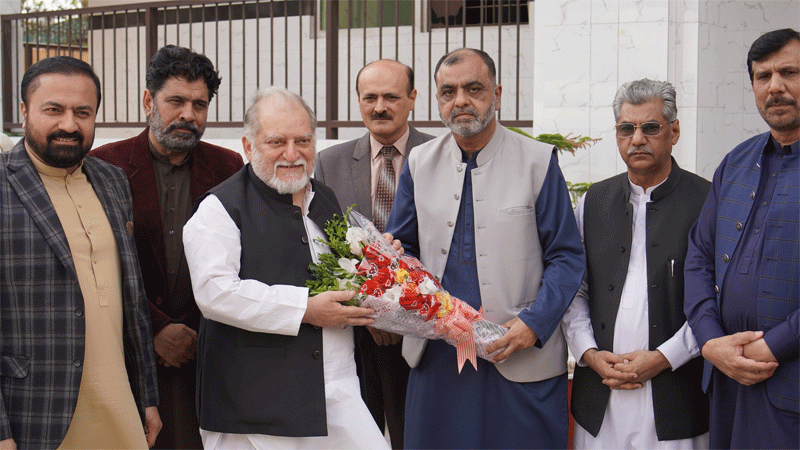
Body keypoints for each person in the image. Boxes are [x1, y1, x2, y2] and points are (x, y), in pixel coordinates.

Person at [385, 48, 585, 449]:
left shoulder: (537, 161)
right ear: (436, 99)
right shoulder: (420, 163)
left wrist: (534, 324)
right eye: (448, 91)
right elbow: (401, 244)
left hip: (518, 355)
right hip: (438, 358)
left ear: (497, 93)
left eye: (473, 89)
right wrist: (389, 256)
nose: (460, 100)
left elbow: (566, 256)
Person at [183, 86, 390, 449]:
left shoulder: (323, 197)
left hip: (336, 390)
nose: (292, 154)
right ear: (248, 147)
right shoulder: (219, 208)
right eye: (276, 142)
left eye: (304, 141)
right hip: (256, 405)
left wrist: (379, 262)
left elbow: (342, 270)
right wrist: (305, 310)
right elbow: (215, 292)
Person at [0, 56, 160, 449]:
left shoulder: (111, 180)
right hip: (35, 416)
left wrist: (148, 397)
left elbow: (132, 298)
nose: (69, 125)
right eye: (53, 110)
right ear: (24, 111)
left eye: (82, 112)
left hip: (120, 410)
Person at [89, 45, 243, 449]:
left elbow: (240, 260)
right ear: (148, 101)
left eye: (199, 104)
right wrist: (156, 329)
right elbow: (95, 262)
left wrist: (192, 332)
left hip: (205, 352)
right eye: (176, 101)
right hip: (128, 352)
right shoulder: (103, 167)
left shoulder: (230, 169)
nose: (188, 115)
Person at [562, 79, 710, 449]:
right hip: (601, 394)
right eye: (626, 128)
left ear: (673, 131)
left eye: (650, 127)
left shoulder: (707, 200)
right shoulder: (594, 201)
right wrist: (589, 353)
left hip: (676, 395)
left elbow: (715, 298)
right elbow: (573, 289)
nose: (637, 138)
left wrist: (664, 357)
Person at [684, 28, 799, 449]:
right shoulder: (736, 161)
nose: (776, 87)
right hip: (728, 381)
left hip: (788, 383)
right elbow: (699, 255)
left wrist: (777, 344)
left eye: (789, 72)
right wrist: (710, 340)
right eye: (762, 76)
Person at [314, 59, 434, 448]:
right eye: (370, 97)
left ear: (413, 98)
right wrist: (371, 314)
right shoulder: (329, 163)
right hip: (356, 334)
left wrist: (401, 314)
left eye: (391, 97)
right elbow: (321, 246)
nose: (380, 106)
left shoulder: (440, 156)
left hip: (426, 332)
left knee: (416, 436)